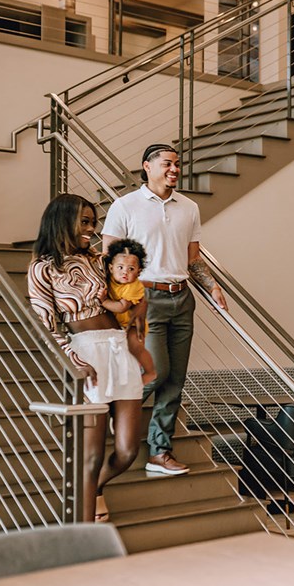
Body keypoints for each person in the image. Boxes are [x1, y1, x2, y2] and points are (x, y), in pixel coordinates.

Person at [103, 143, 228, 476]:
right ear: (147, 166)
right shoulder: (125, 206)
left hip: (182, 297)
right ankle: (111, 408)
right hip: (146, 298)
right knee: (155, 372)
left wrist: (213, 287)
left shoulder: (188, 207)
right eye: (167, 164)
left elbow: (193, 258)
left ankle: (159, 452)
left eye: (177, 165)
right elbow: (110, 259)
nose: (174, 170)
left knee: (175, 380)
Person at [28, 193, 145, 522]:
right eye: (85, 222)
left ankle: (92, 490)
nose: (92, 230)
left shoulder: (97, 259)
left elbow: (127, 283)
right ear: (62, 220)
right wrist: (73, 361)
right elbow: (45, 325)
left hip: (120, 349)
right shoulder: (42, 268)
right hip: (86, 353)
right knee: (90, 456)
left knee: (127, 451)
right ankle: (84, 534)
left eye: (94, 223)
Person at [101, 238, 157, 385]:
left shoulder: (134, 286)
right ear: (111, 268)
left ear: (138, 272)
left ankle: (150, 372)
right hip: (115, 324)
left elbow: (122, 307)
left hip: (131, 325)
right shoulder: (108, 279)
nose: (125, 272)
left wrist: (103, 302)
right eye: (120, 267)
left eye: (131, 269)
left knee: (135, 347)